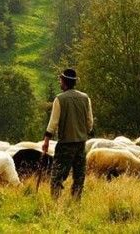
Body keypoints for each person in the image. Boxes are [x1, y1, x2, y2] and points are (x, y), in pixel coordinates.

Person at [42, 68, 93, 200]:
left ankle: (56, 202)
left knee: (57, 176)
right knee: (79, 176)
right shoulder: (85, 98)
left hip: (65, 144)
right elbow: (90, 122)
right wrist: (82, 132)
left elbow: (53, 122)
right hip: (81, 144)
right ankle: (76, 202)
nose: (60, 82)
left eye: (60, 80)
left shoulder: (60, 99)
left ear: (64, 82)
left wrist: (46, 140)